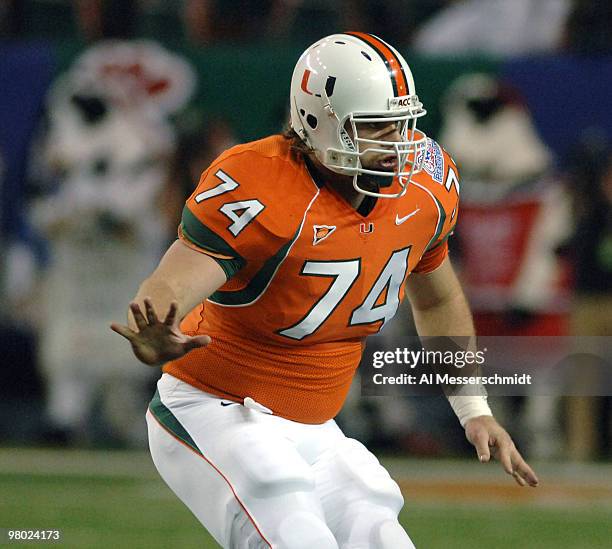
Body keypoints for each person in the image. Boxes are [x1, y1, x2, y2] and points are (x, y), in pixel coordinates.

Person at [112, 33, 539, 548]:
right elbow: (179, 277)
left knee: (382, 534)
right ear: (319, 121)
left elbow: (439, 297)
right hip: (213, 408)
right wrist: (160, 322)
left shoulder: (426, 184)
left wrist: (474, 410)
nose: (398, 142)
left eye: (403, 122)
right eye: (376, 126)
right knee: (291, 526)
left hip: (315, 426)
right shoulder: (261, 183)